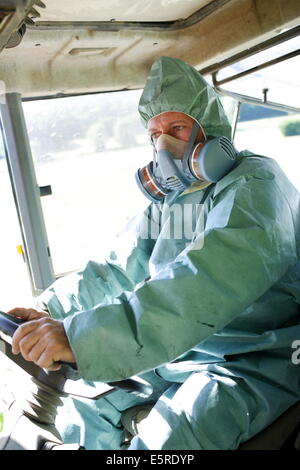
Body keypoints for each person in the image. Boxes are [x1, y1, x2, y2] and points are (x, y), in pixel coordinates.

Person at [8, 56, 300, 450]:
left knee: (168, 443)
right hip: (181, 352)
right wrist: (51, 311)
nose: (165, 145)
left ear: (209, 130)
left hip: (256, 359)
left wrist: (82, 338)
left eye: (177, 128)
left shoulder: (255, 187)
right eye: (155, 133)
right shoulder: (172, 200)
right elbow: (115, 270)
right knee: (80, 412)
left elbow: (200, 284)